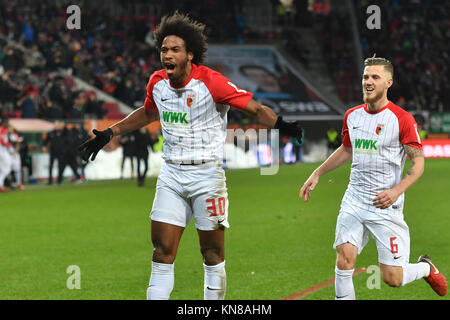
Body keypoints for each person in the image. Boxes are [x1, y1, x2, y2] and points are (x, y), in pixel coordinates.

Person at [78, 11, 303, 300]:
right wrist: (111, 132)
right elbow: (148, 112)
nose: (167, 55)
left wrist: (282, 125)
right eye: (164, 50)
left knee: (211, 253)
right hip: (171, 175)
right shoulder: (157, 82)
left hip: (207, 177)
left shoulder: (213, 83)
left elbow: (256, 109)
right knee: (161, 252)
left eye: (175, 50)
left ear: (189, 55)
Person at [299, 56, 447, 299]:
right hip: (354, 200)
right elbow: (347, 149)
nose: (368, 81)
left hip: (386, 205)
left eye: (375, 77)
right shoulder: (352, 116)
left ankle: (425, 267)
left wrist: (396, 191)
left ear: (389, 82)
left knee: (393, 278)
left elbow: (418, 162)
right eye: (365, 76)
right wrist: (318, 172)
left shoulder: (402, 119)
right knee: (344, 259)